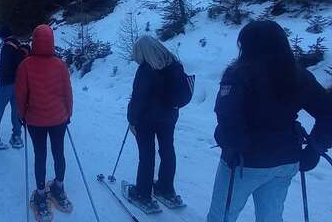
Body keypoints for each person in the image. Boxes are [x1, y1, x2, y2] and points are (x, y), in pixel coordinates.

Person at [207, 20, 332, 222]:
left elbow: (227, 117)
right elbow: (328, 111)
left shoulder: (238, 74)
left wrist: (230, 143)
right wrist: (315, 148)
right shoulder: (298, 74)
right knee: (271, 218)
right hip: (286, 159)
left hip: (245, 162)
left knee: (220, 216)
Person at [16, 24, 73, 220]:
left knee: (40, 155)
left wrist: (21, 115)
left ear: (33, 41)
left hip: (35, 120)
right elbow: (67, 92)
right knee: (59, 152)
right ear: (52, 42)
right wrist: (68, 114)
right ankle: (58, 186)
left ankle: (41, 193)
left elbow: (21, 95)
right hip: (59, 118)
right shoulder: (60, 64)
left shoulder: (25, 65)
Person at [127, 35, 187, 211]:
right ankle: (165, 188)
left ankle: (143, 193)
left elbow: (139, 98)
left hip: (146, 120)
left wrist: (132, 119)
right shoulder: (175, 65)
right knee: (167, 150)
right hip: (169, 116)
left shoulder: (146, 70)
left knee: (147, 155)